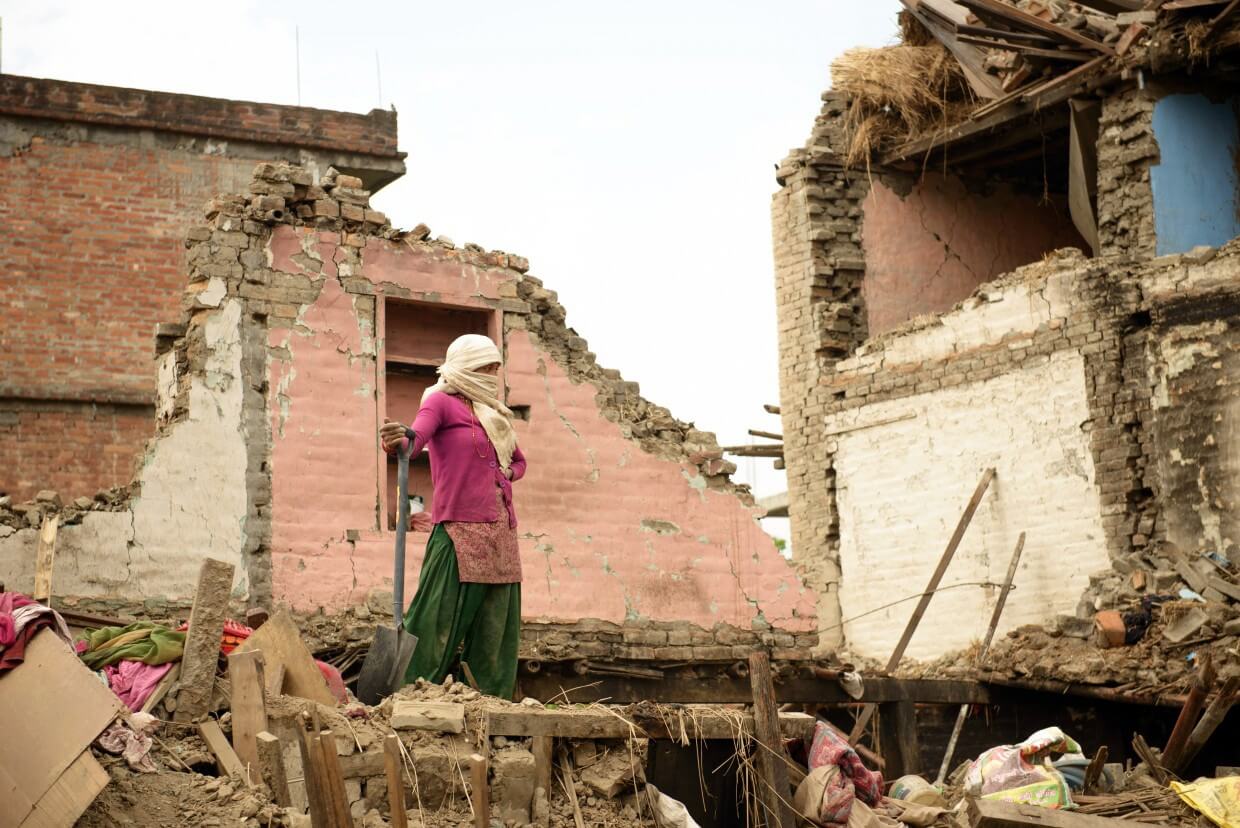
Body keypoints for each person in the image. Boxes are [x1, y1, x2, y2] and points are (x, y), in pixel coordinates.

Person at [379, 334, 526, 699]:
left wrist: (506, 474)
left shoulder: (491, 412)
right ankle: (412, 691)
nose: (493, 375)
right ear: (467, 367)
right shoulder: (439, 401)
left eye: (496, 369)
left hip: (501, 529)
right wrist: (397, 441)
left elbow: (519, 460)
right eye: (486, 368)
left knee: (496, 620)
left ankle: (488, 699)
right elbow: (415, 440)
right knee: (436, 615)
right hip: (458, 525)